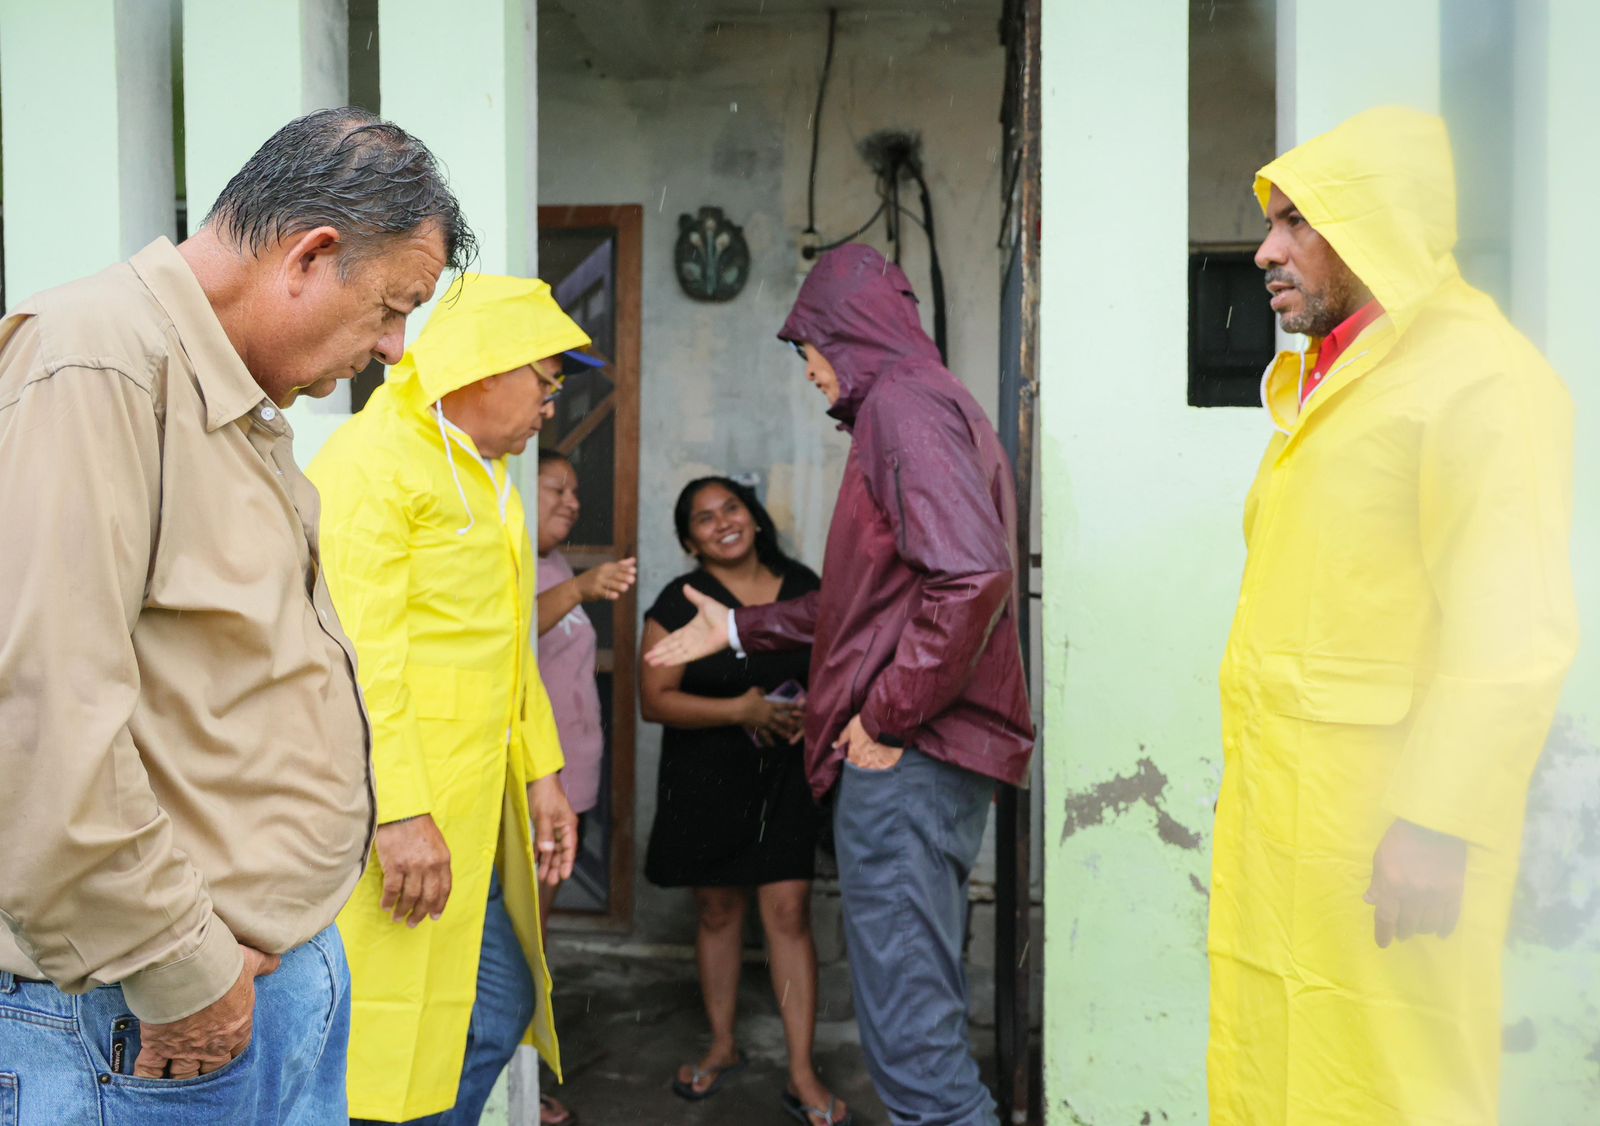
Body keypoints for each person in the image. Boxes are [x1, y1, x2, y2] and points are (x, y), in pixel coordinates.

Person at [0, 108, 469, 1123]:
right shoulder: (98, 362)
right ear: (311, 254)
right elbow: (41, 713)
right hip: (147, 1016)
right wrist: (183, 972)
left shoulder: (237, 393)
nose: (394, 347)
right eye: (394, 308)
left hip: (264, 980)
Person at [1208, 107, 1578, 1124]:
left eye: (1296, 223)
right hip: (1294, 822)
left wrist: (1437, 821)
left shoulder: (1482, 382)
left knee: (1393, 1080)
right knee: (1279, 1057)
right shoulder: (1330, 383)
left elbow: (1512, 628)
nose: (1264, 248)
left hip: (1390, 836)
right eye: (1271, 223)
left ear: (1377, 228)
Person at [646, 246, 1035, 1126]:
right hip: (930, 755)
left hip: (913, 757)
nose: (812, 375)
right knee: (916, 1026)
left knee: (915, 1053)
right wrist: (739, 626)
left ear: (846, 336)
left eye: (808, 351)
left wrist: (890, 714)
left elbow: (969, 578)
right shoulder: (927, 403)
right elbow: (871, 609)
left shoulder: (901, 406)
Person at [308, 275, 595, 1123]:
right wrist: (399, 814)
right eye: (546, 381)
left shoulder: (483, 478)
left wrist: (543, 774)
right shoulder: (373, 466)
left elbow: (508, 653)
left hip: (467, 819)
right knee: (378, 1046)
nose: (552, 404)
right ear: (484, 368)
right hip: (396, 824)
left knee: (492, 1010)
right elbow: (362, 664)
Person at [640, 477, 844, 1125]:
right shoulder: (680, 601)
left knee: (788, 912)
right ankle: (724, 1045)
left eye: (730, 508)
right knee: (719, 909)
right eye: (703, 518)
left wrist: (815, 712)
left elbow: (844, 667)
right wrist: (743, 709)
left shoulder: (807, 586)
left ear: (754, 519)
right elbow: (654, 699)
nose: (721, 522)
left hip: (786, 778)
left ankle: (803, 1073)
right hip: (708, 775)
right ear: (688, 540)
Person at [531, 446, 637, 1126]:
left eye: (576, 491)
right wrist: (579, 590)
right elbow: (511, 631)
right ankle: (514, 1083)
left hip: (574, 781)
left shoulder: (555, 563)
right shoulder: (512, 561)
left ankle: (518, 1072)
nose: (573, 501)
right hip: (542, 785)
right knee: (526, 945)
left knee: (541, 938)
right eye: (557, 489)